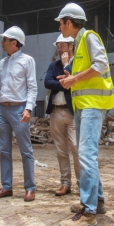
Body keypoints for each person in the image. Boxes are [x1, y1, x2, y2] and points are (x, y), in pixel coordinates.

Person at [55, 3, 114, 226]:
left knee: (86, 155)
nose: (60, 27)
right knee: (85, 155)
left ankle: (89, 213)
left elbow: (101, 65)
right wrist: (73, 77)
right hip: (83, 106)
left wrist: (74, 79)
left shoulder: (90, 37)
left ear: (69, 22)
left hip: (92, 106)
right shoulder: (80, 42)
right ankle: (97, 202)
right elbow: (88, 72)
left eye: (61, 23)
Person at [0, 26, 38, 202]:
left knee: (26, 150)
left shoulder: (27, 61)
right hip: (2, 109)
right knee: (4, 150)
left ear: (14, 42)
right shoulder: (3, 63)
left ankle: (30, 188)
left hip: (19, 109)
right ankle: (6, 187)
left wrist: (28, 109)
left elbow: (32, 87)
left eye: (5, 40)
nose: (2, 43)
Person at [44, 34, 79, 196]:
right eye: (58, 46)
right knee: (61, 150)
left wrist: (66, 66)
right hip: (56, 112)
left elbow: (76, 83)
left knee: (76, 148)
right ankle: (65, 183)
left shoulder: (78, 64)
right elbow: (47, 82)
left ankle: (82, 184)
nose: (59, 50)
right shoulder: (53, 65)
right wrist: (65, 82)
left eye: (62, 46)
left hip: (73, 112)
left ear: (71, 46)